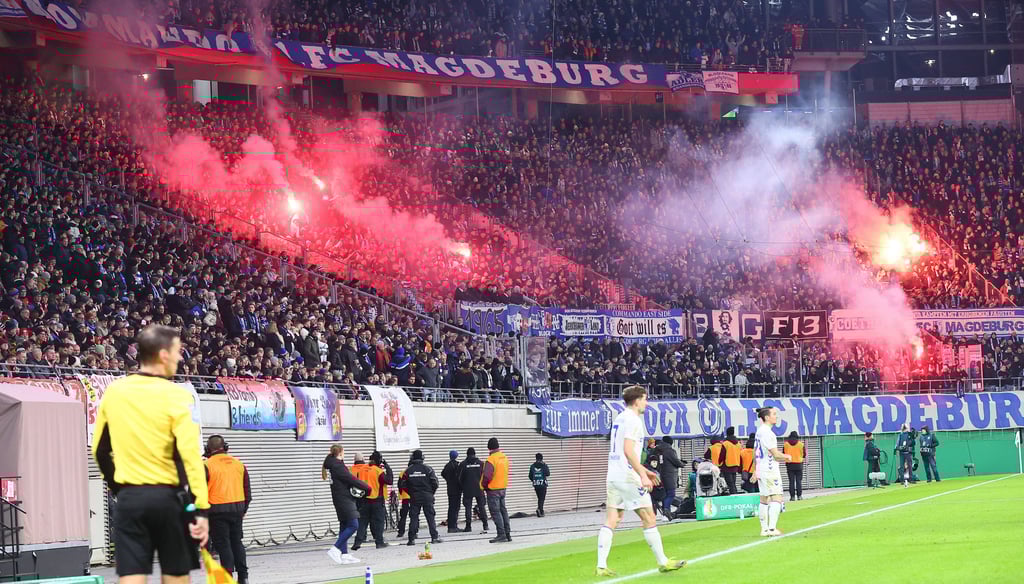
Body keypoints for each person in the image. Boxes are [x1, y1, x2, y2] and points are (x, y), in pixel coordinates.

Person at [93, 325, 209, 584]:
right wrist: (201, 508)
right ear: (163, 355)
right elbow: (190, 456)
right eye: (178, 351)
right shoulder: (177, 396)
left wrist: (119, 488)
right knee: (176, 575)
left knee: (132, 575)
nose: (181, 358)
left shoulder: (115, 391)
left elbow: (99, 450)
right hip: (169, 499)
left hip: (130, 498)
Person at [595, 385, 686, 577]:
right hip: (628, 477)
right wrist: (642, 475)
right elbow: (628, 451)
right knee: (649, 517)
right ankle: (663, 562)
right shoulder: (633, 420)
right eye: (645, 399)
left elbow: (621, 452)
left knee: (613, 519)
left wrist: (645, 469)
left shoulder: (620, 418)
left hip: (613, 475)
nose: (647, 403)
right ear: (637, 401)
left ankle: (601, 565)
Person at [204, 435, 251, 584]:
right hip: (237, 510)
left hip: (216, 512)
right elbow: (247, 491)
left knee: (223, 545)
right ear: (225, 447)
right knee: (237, 543)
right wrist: (243, 510)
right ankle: (243, 578)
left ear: (208, 449)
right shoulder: (239, 464)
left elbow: (197, 492)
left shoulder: (206, 465)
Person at [323, 444, 370, 564]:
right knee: (354, 525)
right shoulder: (337, 466)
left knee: (344, 525)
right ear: (340, 453)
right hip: (344, 499)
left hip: (340, 498)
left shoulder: (332, 465)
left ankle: (344, 555)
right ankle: (335, 548)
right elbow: (351, 479)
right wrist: (367, 487)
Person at [753, 407, 790, 537]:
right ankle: (772, 528)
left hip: (761, 469)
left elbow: (756, 453)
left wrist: (754, 470)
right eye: (774, 414)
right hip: (769, 470)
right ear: (767, 417)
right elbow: (775, 454)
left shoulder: (759, 431)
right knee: (777, 497)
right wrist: (787, 457)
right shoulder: (768, 433)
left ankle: (764, 529)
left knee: (764, 498)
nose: (776, 416)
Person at [353, 451, 392, 550]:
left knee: (362, 523)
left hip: (363, 500)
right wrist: (388, 468)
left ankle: (357, 542)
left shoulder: (361, 470)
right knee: (378, 522)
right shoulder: (378, 471)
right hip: (376, 501)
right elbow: (389, 481)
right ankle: (379, 542)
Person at [404, 449, 442, 546]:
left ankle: (411, 539)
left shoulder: (408, 470)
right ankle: (434, 537)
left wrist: (411, 493)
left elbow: (402, 485)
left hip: (414, 497)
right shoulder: (428, 469)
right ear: (422, 458)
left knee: (414, 518)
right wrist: (430, 493)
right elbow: (435, 483)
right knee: (430, 517)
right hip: (427, 496)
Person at [482, 437, 512, 543]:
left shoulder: (491, 460)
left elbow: (487, 476)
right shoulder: (504, 458)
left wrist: (483, 486)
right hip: (503, 488)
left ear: (489, 448)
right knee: (503, 511)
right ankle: (507, 534)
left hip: (493, 489)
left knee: (496, 512)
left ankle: (501, 534)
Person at [458, 447, 488, 532]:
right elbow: (485, 476)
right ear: (475, 454)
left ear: (467, 454)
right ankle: (485, 525)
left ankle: (468, 526)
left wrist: (463, 486)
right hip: (479, 488)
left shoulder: (463, 464)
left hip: (467, 489)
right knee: (482, 507)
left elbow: (459, 478)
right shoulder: (481, 463)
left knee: (468, 508)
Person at [654, 437, 684, 517]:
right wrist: (682, 464)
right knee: (671, 494)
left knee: (665, 495)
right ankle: (666, 511)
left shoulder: (657, 450)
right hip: (669, 475)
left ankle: (666, 513)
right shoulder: (670, 450)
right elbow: (676, 462)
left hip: (660, 475)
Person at [349, 453, 369, 547]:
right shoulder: (367, 468)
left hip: (353, 495)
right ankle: (364, 535)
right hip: (365, 495)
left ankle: (361, 535)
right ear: (363, 459)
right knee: (365, 516)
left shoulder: (350, 469)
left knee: (357, 515)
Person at [441, 450, 462, 533]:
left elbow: (443, 473)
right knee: (455, 508)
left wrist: (448, 480)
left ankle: (451, 526)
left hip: (450, 489)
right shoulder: (456, 465)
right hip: (456, 489)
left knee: (451, 508)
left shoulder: (447, 465)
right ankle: (453, 526)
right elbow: (460, 476)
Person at [783, 431, 806, 501]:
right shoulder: (801, 444)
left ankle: (792, 497)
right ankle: (799, 496)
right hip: (799, 464)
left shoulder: (786, 444)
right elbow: (804, 454)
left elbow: (783, 453)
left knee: (791, 481)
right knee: (799, 481)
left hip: (789, 465)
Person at [395, 453, 413, 539]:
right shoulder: (413, 472)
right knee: (414, 515)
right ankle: (414, 531)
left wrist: (401, 494)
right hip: (413, 497)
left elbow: (399, 485)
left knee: (403, 515)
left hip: (405, 497)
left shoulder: (402, 472)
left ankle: (400, 532)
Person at [720, 427, 742, 494]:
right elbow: (740, 455)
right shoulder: (738, 444)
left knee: (730, 484)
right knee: (733, 483)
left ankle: (734, 497)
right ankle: (735, 496)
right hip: (735, 465)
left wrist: (719, 463)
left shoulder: (725, 443)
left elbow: (722, 455)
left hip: (727, 466)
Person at [528, 453, 550, 517]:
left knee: (539, 498)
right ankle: (540, 510)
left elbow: (530, 476)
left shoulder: (532, 466)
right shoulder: (544, 465)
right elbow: (548, 474)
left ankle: (540, 510)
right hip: (543, 484)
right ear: (542, 458)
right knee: (542, 498)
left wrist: (534, 480)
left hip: (536, 484)